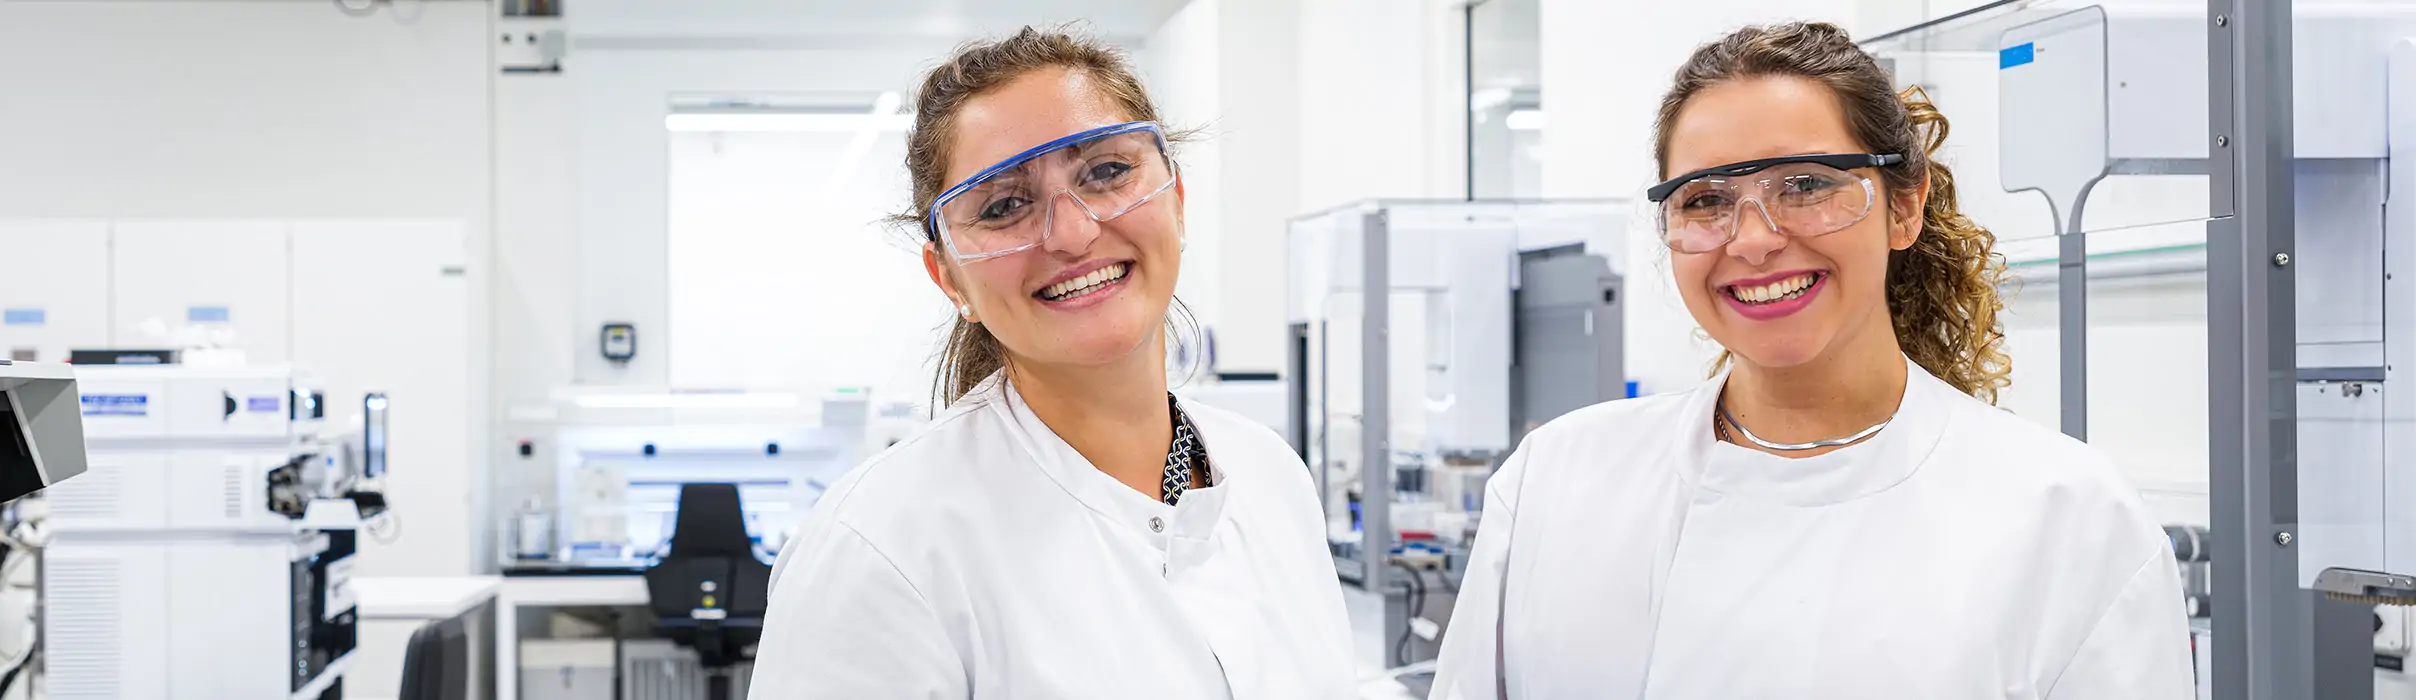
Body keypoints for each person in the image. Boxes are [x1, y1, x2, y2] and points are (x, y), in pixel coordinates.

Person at [1429, 22, 2192, 699]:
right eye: (1704, 200)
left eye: (1805, 185)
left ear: (1903, 206)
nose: (1753, 238)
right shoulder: (1555, 480)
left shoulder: (2066, 519)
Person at [749, 27, 1354, 699]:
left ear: (1176, 201)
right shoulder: (882, 550)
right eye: (1005, 205)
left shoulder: (1274, 480)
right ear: (949, 279)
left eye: (1106, 172)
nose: (1073, 233)